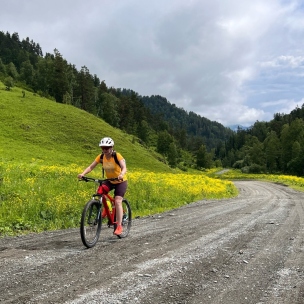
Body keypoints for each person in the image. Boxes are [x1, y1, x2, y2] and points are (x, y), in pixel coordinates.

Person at [77, 137, 127, 236]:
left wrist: (121, 174)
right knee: (99, 192)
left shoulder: (117, 156)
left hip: (120, 181)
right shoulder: (101, 157)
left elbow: (124, 167)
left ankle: (119, 225)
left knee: (117, 201)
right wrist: (83, 174)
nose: (105, 150)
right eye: (103, 148)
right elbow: (91, 166)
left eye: (107, 148)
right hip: (109, 181)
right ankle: (106, 208)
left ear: (111, 147)